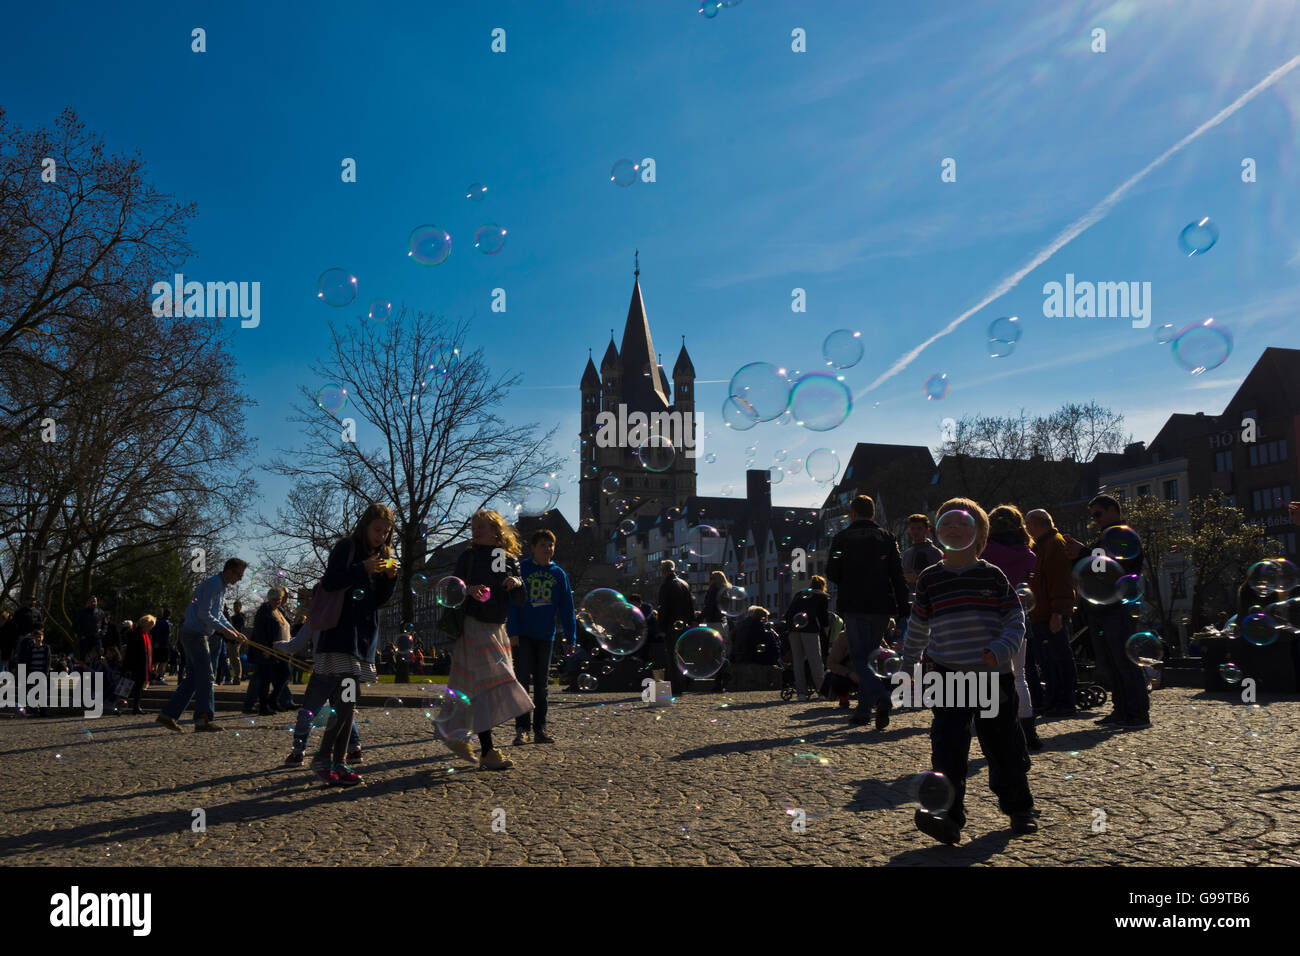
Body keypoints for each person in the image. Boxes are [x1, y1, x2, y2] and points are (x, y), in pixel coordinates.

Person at [902, 497, 1036, 843]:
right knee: (947, 746)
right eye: (946, 523)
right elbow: (918, 626)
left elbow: (1014, 618)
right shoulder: (930, 580)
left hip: (991, 674)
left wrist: (1001, 649)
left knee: (1003, 744)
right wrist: (907, 665)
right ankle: (948, 815)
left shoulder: (991, 575)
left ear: (980, 536)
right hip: (947, 673)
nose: (954, 528)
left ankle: (1019, 807)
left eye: (963, 523)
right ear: (938, 534)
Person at [310, 503, 400, 785]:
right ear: (365, 525)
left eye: (386, 533)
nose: (381, 537)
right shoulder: (346, 547)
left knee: (348, 702)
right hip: (341, 635)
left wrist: (390, 579)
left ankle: (338, 762)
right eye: (377, 530)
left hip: (362, 637)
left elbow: (378, 601)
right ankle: (325, 758)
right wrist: (361, 568)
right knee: (347, 700)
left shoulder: (382, 555)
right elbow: (331, 581)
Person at [438, 509, 532, 770]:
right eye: (474, 526)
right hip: (473, 625)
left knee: (470, 685)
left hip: (496, 627)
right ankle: (487, 750)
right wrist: (467, 589)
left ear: (497, 532)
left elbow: (519, 597)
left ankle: (457, 735)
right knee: (490, 683)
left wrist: (515, 583)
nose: (476, 530)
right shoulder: (468, 557)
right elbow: (451, 589)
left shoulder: (504, 557)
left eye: (482, 526)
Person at [825, 495, 910, 730]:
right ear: (873, 513)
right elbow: (897, 575)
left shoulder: (842, 538)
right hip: (882, 606)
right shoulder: (887, 538)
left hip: (854, 604)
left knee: (860, 657)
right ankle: (863, 712)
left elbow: (831, 572)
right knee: (872, 656)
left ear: (852, 513)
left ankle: (882, 697)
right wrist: (904, 607)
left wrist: (848, 576)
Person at [1078, 493, 1149, 730]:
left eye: (1098, 514)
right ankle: (1121, 710)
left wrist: (1082, 554)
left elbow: (1108, 568)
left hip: (1117, 608)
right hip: (1103, 607)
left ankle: (1137, 713)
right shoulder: (1105, 537)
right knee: (1110, 662)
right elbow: (1097, 567)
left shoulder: (1122, 535)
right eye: (1092, 516)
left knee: (1125, 660)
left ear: (1112, 510)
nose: (1095, 519)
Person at [157, 558, 248, 733]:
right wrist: (224, 631)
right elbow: (204, 614)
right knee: (207, 676)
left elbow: (218, 614)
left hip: (195, 632)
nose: (240, 579)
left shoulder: (219, 585)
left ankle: (168, 715)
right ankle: (203, 719)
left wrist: (234, 631)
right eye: (239, 575)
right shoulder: (214, 585)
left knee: (194, 678)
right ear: (230, 571)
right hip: (195, 633)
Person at [979, 505, 1041, 752]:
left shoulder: (984, 552)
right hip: (1019, 620)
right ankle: (1029, 733)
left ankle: (997, 734)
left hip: (989, 621)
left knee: (988, 678)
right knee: (1019, 676)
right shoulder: (1028, 555)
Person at [507, 529, 577, 746]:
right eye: (543, 545)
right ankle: (521, 729)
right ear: (533, 548)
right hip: (524, 635)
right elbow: (513, 603)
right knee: (521, 683)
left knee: (542, 685)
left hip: (546, 635)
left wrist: (570, 636)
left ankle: (540, 728)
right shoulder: (523, 569)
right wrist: (513, 631)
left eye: (551, 545)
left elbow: (567, 608)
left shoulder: (559, 574)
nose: (548, 549)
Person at [1025, 509, 1078, 717]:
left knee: (1058, 658)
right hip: (1043, 612)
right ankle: (1055, 700)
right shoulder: (1044, 545)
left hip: (1049, 613)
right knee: (1049, 660)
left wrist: (1057, 612)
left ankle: (1064, 702)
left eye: (1028, 524)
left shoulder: (1053, 545)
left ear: (1036, 524)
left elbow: (1060, 581)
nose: (1026, 529)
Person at [783, 575, 831, 701]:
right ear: (822, 586)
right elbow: (823, 618)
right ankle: (822, 691)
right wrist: (827, 634)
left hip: (793, 628)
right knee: (815, 660)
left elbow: (788, 613)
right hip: (809, 629)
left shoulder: (800, 593)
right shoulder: (822, 596)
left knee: (797, 661)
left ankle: (801, 693)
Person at [656, 560, 697, 696]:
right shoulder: (684, 584)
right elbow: (691, 606)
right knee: (683, 655)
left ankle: (676, 687)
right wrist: (692, 622)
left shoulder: (666, 585)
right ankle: (685, 682)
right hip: (683, 626)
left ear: (663, 571)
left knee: (672, 657)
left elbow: (663, 608)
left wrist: (661, 628)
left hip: (671, 626)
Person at [122, 616, 156, 715]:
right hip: (136, 665)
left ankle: (136, 707)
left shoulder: (146, 635)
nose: (151, 628)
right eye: (150, 626)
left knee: (138, 687)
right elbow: (131, 652)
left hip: (142, 665)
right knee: (135, 687)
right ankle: (132, 706)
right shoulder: (135, 634)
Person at [821, 615, 857, 707]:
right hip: (849, 675)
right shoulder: (843, 637)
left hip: (869, 672)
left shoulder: (874, 636)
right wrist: (849, 673)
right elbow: (831, 663)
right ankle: (844, 697)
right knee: (838, 680)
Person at [901, 514, 944, 589]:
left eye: (919, 528)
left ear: (927, 530)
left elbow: (942, 578)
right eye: (912, 528)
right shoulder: (906, 554)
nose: (915, 531)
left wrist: (918, 577)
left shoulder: (935, 553)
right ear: (909, 530)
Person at [2, 594, 43, 672]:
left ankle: (30, 674)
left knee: (32, 656)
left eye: (34, 600)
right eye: (30, 600)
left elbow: (40, 625)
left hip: (33, 638)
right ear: (26, 601)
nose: (32, 601)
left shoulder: (37, 612)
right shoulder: (20, 612)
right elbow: (13, 626)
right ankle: (20, 675)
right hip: (22, 637)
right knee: (20, 656)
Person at [75, 596, 107, 662]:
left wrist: (102, 634)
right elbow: (75, 626)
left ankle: (97, 671)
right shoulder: (81, 613)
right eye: (91, 601)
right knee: (84, 658)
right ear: (88, 602)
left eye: (94, 601)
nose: (93, 603)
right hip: (85, 639)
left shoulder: (101, 612)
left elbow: (105, 625)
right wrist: (81, 635)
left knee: (98, 658)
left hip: (97, 639)